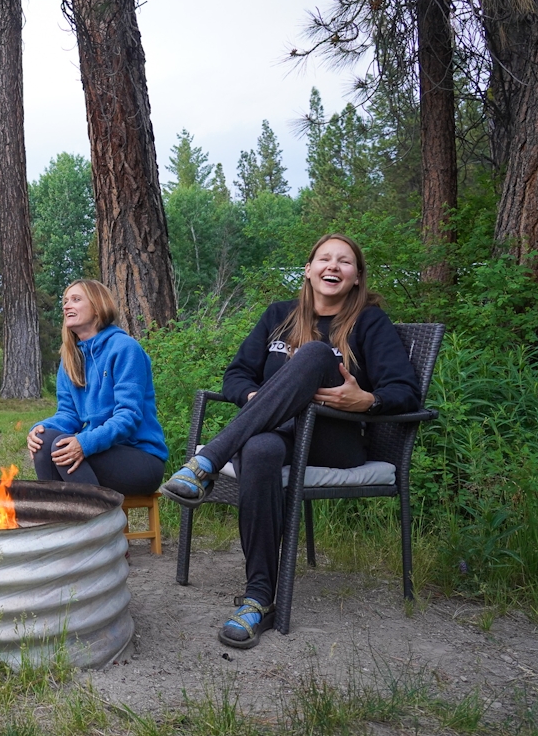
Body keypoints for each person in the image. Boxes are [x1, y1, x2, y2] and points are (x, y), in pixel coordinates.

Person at [161, 234, 420, 649]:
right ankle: (259, 600)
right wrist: (254, 399)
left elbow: (406, 390)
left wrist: (367, 399)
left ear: (356, 278)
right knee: (260, 449)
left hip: (334, 440)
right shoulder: (278, 316)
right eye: (324, 259)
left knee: (317, 354)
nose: (333, 266)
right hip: (276, 436)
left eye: (345, 262)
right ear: (308, 269)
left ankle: (207, 462)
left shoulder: (370, 323)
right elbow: (237, 375)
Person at [27, 279, 168, 497]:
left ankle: (93, 527)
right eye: (65, 301)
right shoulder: (70, 359)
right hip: (98, 450)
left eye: (75, 299)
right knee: (46, 442)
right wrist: (39, 429)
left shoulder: (124, 348)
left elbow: (128, 416)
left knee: (61, 448)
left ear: (97, 307)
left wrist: (85, 442)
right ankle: (62, 521)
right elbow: (68, 415)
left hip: (140, 458)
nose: (66, 306)